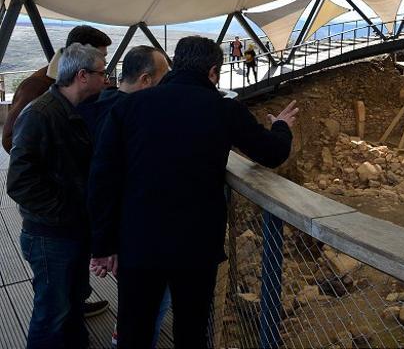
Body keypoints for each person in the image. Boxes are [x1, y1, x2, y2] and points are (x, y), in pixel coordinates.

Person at [88, 36, 298, 347]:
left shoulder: (129, 106)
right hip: (196, 246)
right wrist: (281, 126)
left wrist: (103, 246)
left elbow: (103, 178)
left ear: (175, 64)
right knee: (192, 329)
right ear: (213, 72)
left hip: (138, 240)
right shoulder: (223, 109)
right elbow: (272, 153)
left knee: (135, 327)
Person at [7, 44, 108, 348]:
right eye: (102, 73)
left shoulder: (76, 110)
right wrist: (67, 210)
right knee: (51, 313)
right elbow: (20, 182)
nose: (106, 79)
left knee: (73, 301)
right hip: (51, 234)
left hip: (70, 230)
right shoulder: (40, 114)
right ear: (82, 76)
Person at [78, 45, 171, 349]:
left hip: (109, 232)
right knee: (148, 307)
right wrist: (107, 246)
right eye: (163, 78)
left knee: (134, 308)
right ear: (146, 80)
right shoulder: (123, 117)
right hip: (127, 236)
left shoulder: (98, 106)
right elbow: (105, 183)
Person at [3, 25, 111, 153]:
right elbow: (9, 140)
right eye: (101, 57)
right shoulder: (35, 87)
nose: (104, 62)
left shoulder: (92, 83)